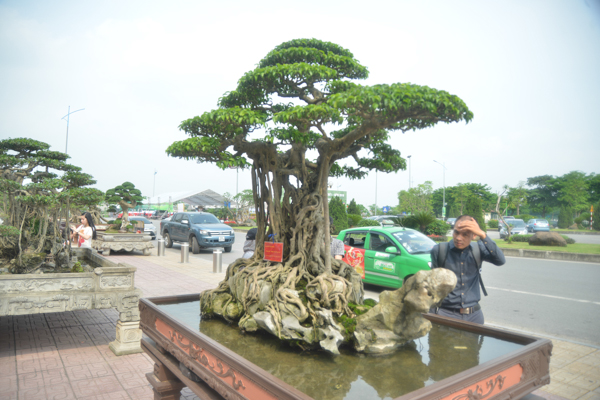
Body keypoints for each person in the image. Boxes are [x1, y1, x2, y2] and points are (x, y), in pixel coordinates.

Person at [429, 215, 505, 324]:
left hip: (474, 316)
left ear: (474, 235)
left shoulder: (479, 249)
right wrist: (431, 316)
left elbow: (500, 261)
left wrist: (483, 235)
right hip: (445, 314)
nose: (459, 238)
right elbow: (433, 286)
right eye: (456, 232)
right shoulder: (440, 250)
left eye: (465, 234)